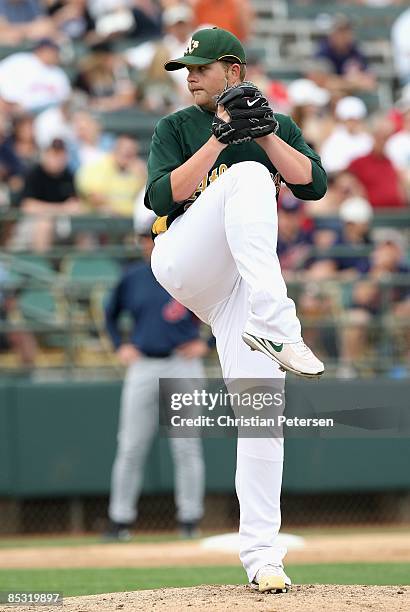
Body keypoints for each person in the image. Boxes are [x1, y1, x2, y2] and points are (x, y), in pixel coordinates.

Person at [144, 27, 326, 593]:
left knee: (263, 415)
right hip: (183, 261)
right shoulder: (177, 126)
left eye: (200, 65)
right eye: (186, 68)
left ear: (234, 69)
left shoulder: (276, 121)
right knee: (247, 174)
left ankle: (263, 558)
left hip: (238, 291)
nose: (190, 75)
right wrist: (222, 139)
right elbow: (160, 197)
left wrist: (269, 134)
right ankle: (280, 325)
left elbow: (312, 184)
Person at [104, 209, 208, 540]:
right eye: (146, 238)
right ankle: (120, 521)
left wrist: (208, 342)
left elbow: (225, 304)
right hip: (144, 363)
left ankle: (190, 520)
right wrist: (119, 344)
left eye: (156, 236)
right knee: (131, 446)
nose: (151, 243)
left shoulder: (186, 271)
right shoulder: (132, 277)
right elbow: (109, 314)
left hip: (182, 363)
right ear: (140, 242)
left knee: (186, 446)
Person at [76, 134, 146, 217]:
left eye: (131, 151)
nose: (127, 153)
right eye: (124, 149)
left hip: (127, 222)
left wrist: (143, 177)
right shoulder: (98, 167)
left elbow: (146, 203)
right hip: (97, 221)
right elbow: (95, 198)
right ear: (115, 149)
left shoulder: (138, 171)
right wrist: (123, 208)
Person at [0, 38, 71, 112]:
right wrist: (10, 103)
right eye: (49, 51)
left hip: (49, 112)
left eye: (54, 52)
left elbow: (65, 98)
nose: (53, 54)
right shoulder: (20, 61)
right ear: (40, 50)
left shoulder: (58, 73)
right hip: (18, 111)